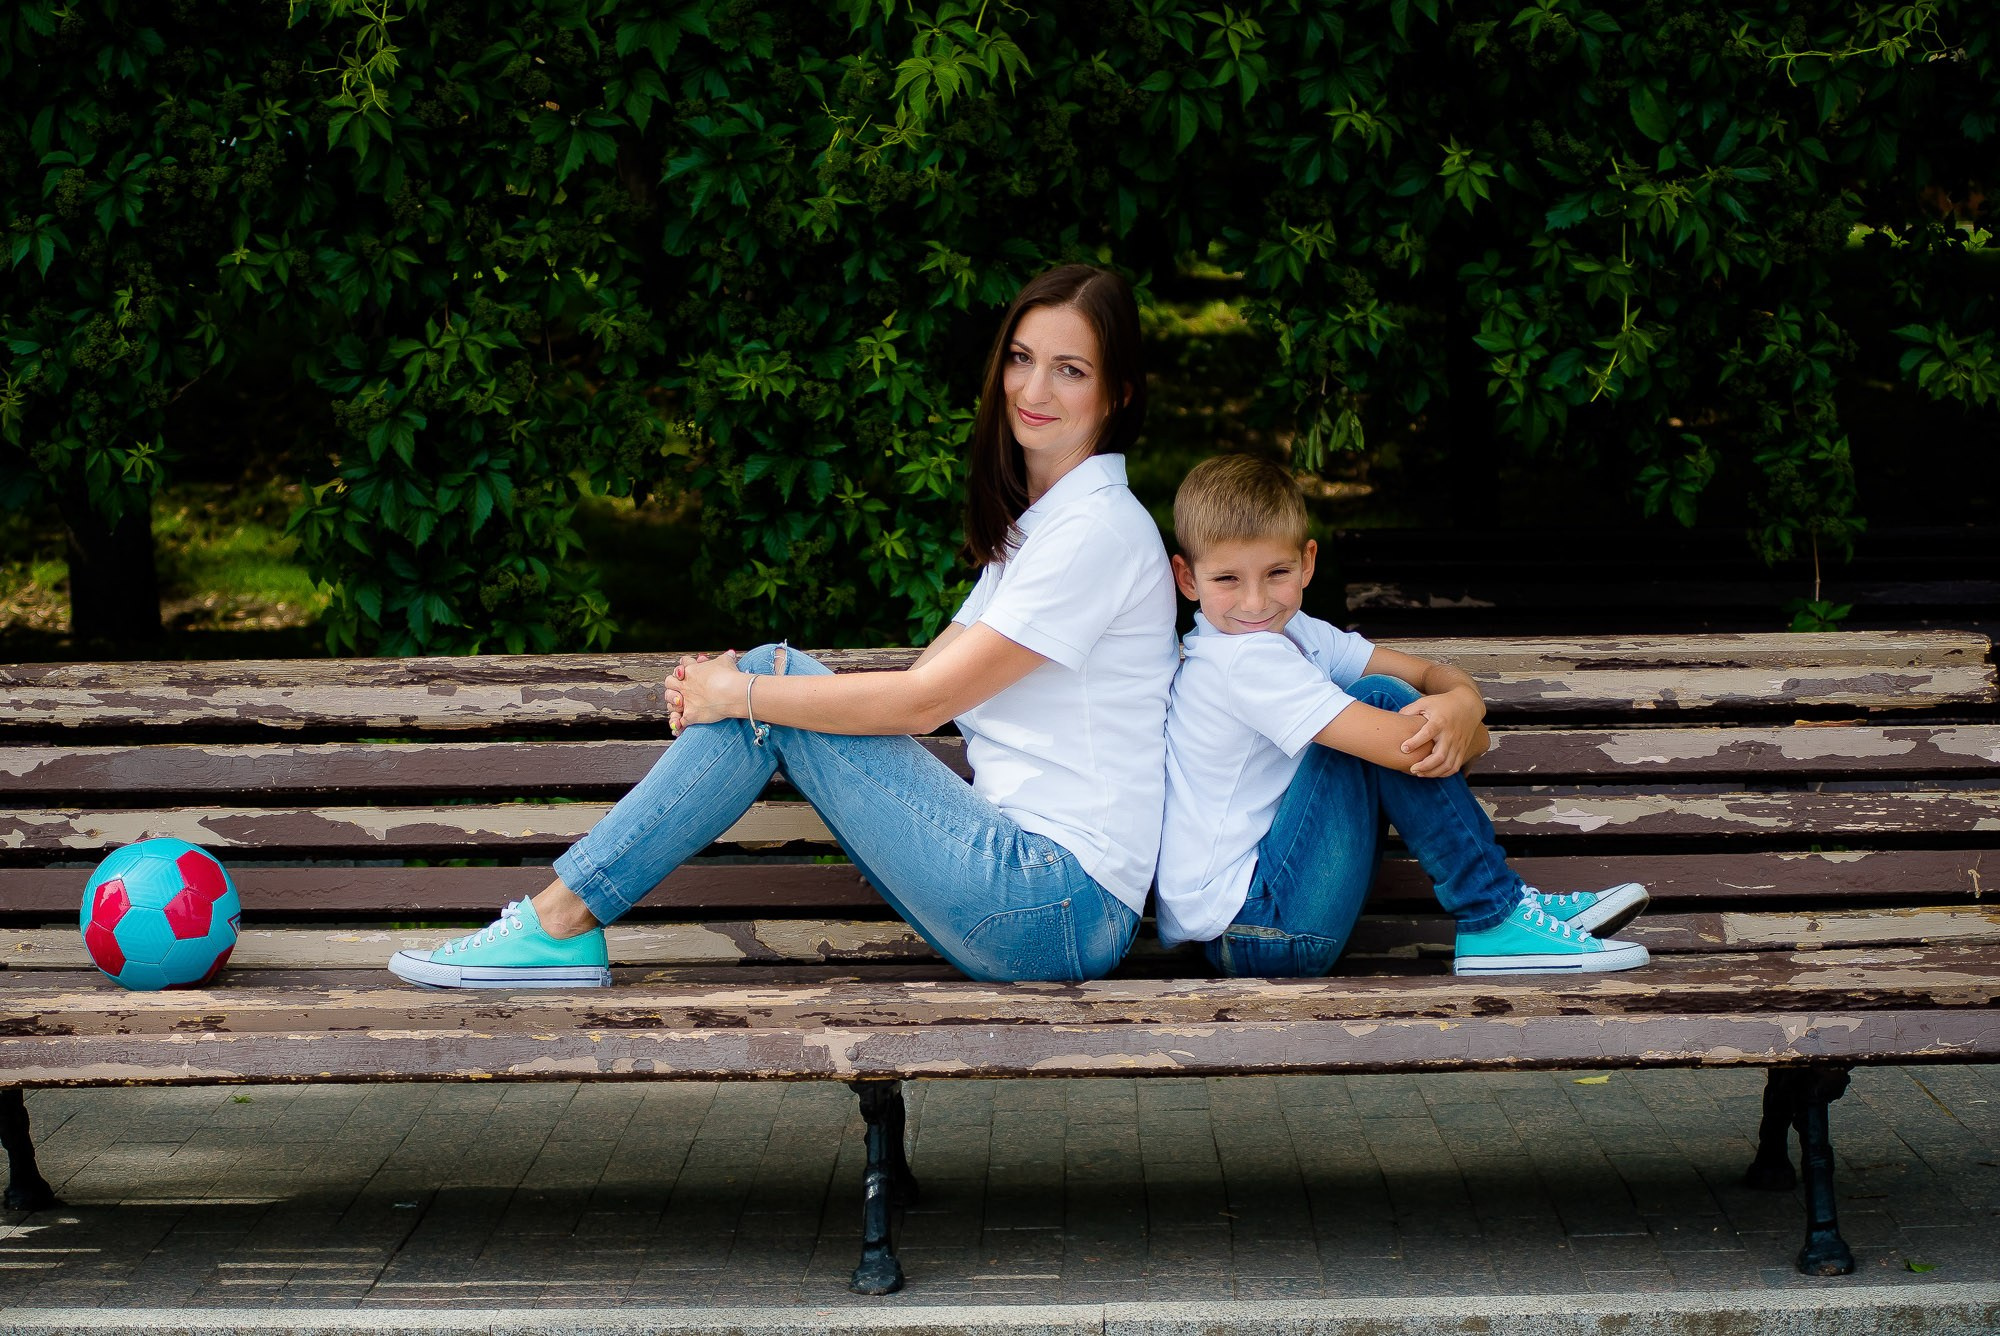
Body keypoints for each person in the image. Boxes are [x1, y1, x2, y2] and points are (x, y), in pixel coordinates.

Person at [388, 264, 1177, 988]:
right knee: (764, 686)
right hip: (1030, 892)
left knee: (767, 684)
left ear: (1118, 395)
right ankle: (559, 926)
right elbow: (921, 678)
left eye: (1069, 370)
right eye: (1020, 357)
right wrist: (734, 695)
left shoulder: (1098, 532)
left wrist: (740, 694)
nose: (1032, 387)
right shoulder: (1043, 532)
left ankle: (558, 925)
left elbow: (920, 705)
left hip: (1057, 903)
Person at [1156, 453, 1650, 977]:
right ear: (1187, 578)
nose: (1254, 602)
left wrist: (1463, 702)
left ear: (1308, 562)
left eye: (1276, 572)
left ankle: (1503, 909)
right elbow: (1415, 740)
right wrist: (1459, 719)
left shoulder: (1299, 632)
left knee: (1381, 696)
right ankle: (1493, 914)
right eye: (1227, 578)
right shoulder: (1242, 662)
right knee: (1379, 699)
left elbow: (1434, 678)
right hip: (1257, 929)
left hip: (1274, 913)